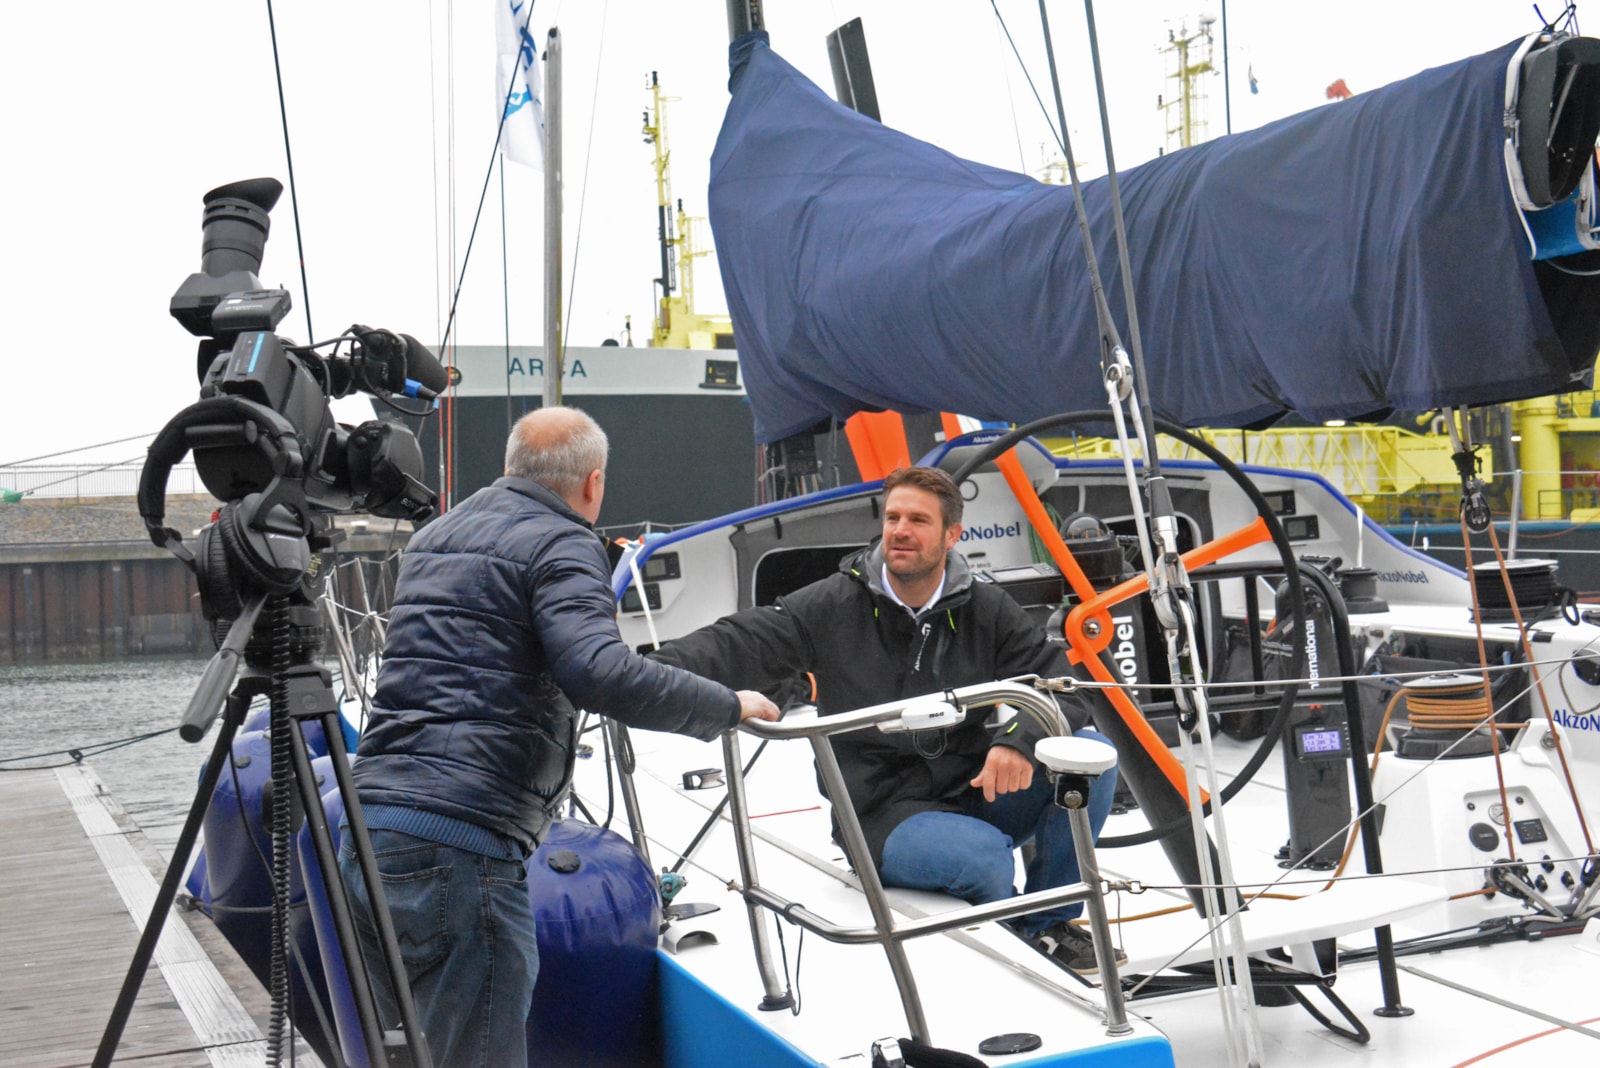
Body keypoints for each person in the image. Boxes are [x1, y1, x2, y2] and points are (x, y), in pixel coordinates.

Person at [340, 407, 779, 1068]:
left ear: (511, 466)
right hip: (462, 847)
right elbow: (599, 672)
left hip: (368, 829)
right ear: (593, 483)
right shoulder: (563, 542)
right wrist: (727, 704)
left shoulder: (436, 535)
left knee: (399, 1057)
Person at [650, 465, 1122, 973]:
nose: (900, 530)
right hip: (880, 813)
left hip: (970, 788)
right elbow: (738, 641)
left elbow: (1062, 685)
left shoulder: (985, 607)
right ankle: (1018, 941)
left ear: (952, 535)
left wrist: (1019, 739)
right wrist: (643, 674)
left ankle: (1046, 925)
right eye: (893, 517)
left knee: (1091, 757)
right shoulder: (832, 604)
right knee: (984, 856)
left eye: (918, 520)